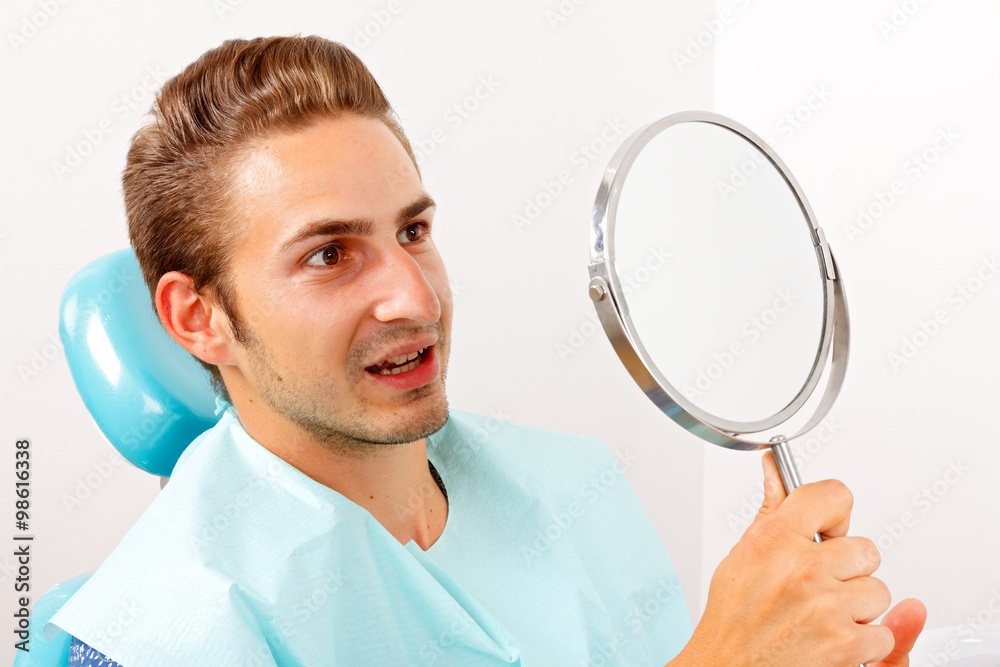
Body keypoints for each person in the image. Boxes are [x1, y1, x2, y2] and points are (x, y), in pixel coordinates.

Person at [49, 35, 926, 666]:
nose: (415, 296)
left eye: (413, 231)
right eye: (329, 254)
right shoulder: (159, 635)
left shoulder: (573, 487)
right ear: (198, 318)